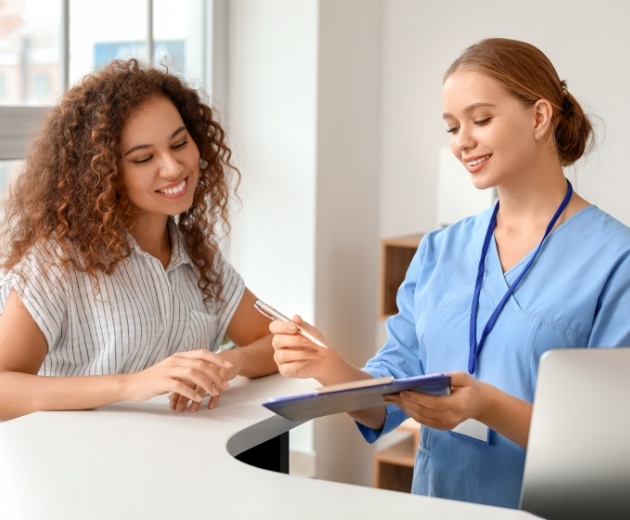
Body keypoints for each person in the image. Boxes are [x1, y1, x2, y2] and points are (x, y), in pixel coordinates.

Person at [269, 38, 630, 509]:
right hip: (438, 502)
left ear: (540, 117)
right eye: (453, 126)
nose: (462, 140)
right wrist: (330, 369)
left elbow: (609, 439)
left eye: (481, 120)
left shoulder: (615, 259)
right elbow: (387, 398)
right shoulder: (440, 250)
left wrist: (487, 406)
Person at [0, 59, 277, 422]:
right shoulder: (56, 263)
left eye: (179, 143)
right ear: (104, 174)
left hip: (180, 458)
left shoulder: (195, 255)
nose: (174, 167)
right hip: (80, 467)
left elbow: (276, 343)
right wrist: (133, 384)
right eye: (144, 157)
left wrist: (229, 362)